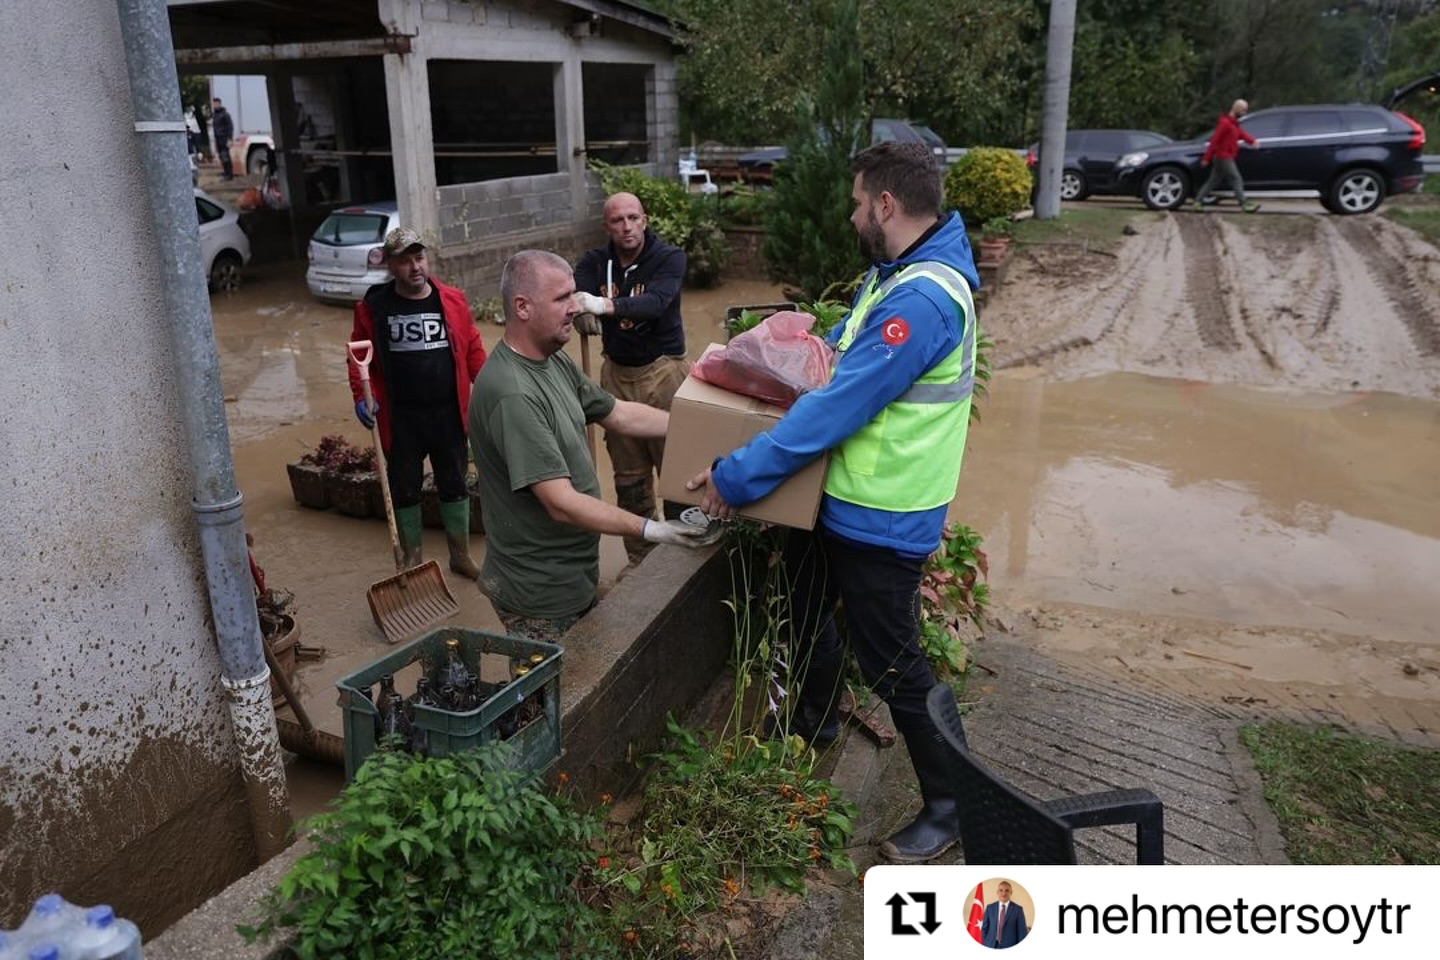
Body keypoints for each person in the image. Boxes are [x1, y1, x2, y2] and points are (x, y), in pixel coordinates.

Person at [686, 141, 980, 864]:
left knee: (894, 665)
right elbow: (836, 366)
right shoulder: (897, 277)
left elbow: (836, 408)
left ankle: (954, 804)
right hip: (839, 503)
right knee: (808, 608)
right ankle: (812, 726)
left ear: (885, 203)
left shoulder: (921, 299)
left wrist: (736, 475)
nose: (851, 216)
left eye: (856, 202)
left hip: (881, 519)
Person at [468, 250, 709, 642]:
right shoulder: (513, 394)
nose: (575, 307)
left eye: (575, 296)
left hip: (572, 572)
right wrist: (652, 529)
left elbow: (619, 415)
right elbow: (560, 502)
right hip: (540, 592)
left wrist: (699, 427)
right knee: (552, 697)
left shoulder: (551, 360)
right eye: (562, 298)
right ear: (523, 307)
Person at [348, 227, 488, 580]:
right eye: (405, 261)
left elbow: (472, 347)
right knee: (405, 489)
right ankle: (412, 560)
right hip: (401, 418)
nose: (415, 267)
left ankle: (460, 556)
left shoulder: (452, 300)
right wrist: (362, 398)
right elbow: (357, 357)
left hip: (449, 415)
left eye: (419, 258)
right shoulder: (374, 307)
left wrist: (487, 388)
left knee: (455, 484)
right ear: (390, 265)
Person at [572, 192, 689, 565]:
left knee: (678, 472)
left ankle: (682, 558)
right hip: (617, 375)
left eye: (633, 218)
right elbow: (573, 289)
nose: (627, 227)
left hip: (664, 372)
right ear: (606, 226)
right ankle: (641, 561)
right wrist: (577, 308)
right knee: (629, 477)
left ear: (645, 219)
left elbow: (655, 303)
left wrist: (602, 305)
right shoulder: (595, 262)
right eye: (618, 221)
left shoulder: (669, 258)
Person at [1192, 99, 1261, 213]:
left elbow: (1241, 134)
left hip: (1226, 156)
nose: (1244, 113)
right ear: (1236, 108)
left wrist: (1252, 141)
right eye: (1243, 110)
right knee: (1236, 179)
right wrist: (1206, 158)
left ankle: (1197, 201)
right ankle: (1244, 204)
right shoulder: (1225, 123)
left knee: (1213, 181)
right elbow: (1214, 141)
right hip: (1223, 156)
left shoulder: (1233, 124)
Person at [980, 881, 1027, 948]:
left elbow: (1022, 933)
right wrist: (986, 942)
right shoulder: (990, 908)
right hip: (991, 945)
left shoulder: (1018, 909)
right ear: (997, 892)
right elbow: (984, 928)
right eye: (1001, 890)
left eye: (1007, 891)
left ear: (1011, 893)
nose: (1003, 893)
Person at [210, 97, 234, 180]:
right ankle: (225, 172)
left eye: (216, 103)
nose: (215, 105)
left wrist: (230, 139)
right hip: (218, 139)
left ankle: (229, 174)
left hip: (224, 138)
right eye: (214, 103)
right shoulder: (215, 115)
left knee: (226, 156)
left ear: (220, 104)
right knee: (222, 156)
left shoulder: (225, 114)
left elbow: (230, 127)